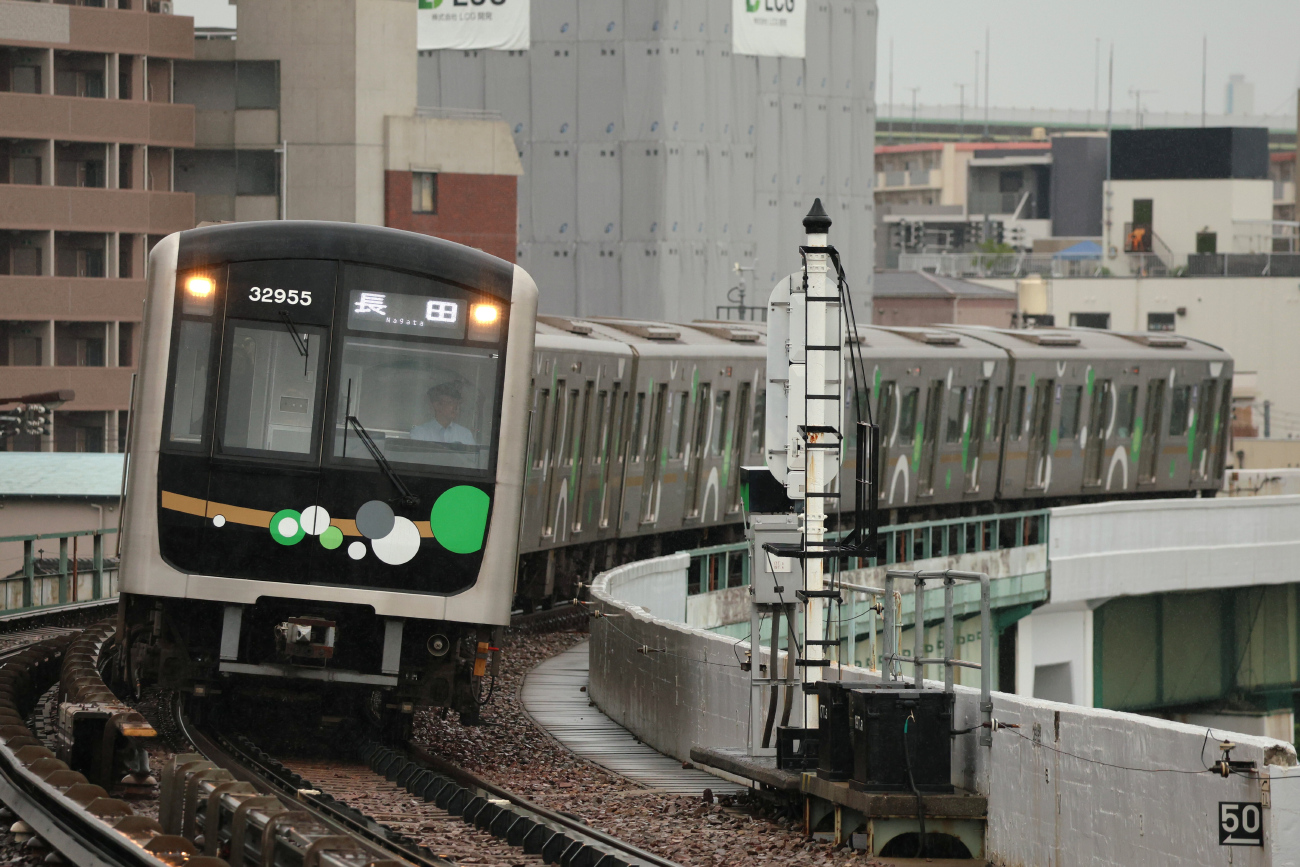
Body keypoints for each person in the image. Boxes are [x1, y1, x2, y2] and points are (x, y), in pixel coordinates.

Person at [410, 382, 475, 445]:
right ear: (437, 405)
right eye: (451, 402)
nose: (456, 407)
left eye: (457, 403)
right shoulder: (419, 433)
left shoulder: (465, 434)